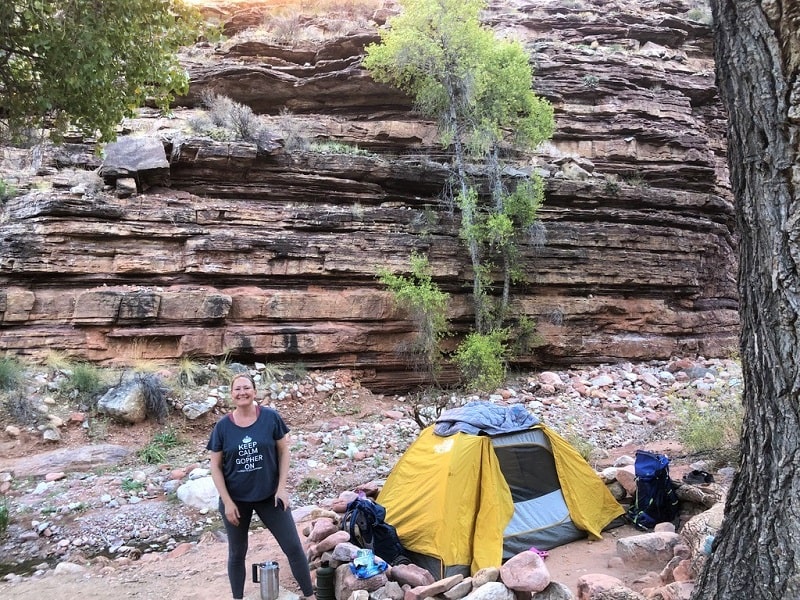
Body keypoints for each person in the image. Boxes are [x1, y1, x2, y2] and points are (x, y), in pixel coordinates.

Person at [208, 372, 316, 600]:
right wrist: (227, 502)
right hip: (236, 500)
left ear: (254, 391)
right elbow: (215, 466)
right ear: (231, 394)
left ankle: (310, 595)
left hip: (270, 496)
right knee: (237, 553)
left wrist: (282, 488)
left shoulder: (270, 417)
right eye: (237, 389)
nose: (242, 392)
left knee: (294, 547)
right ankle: (238, 597)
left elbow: (284, 450)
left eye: (246, 388)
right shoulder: (222, 427)